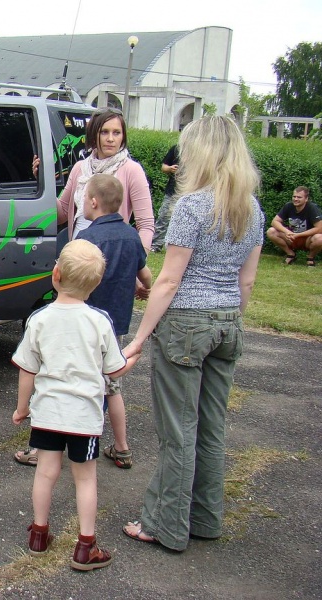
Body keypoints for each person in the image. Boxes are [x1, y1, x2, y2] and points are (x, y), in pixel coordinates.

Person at [121, 115, 263, 552]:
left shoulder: (192, 206)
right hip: (227, 323)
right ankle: (204, 518)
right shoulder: (252, 208)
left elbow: (168, 281)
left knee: (177, 432)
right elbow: (248, 282)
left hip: (186, 325)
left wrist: (140, 337)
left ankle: (164, 525)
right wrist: (231, 318)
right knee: (212, 427)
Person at [16, 106, 154, 467]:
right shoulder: (80, 169)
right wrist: (36, 189)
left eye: (117, 133)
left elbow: (147, 224)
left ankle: (51, 445)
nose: (111, 139)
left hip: (104, 280)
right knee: (81, 370)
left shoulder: (131, 171)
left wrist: (132, 265)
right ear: (94, 135)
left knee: (82, 373)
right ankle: (106, 445)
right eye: (105, 132)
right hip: (79, 276)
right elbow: (63, 211)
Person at [12, 238, 138, 569]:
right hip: (83, 417)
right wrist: (134, 357)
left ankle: (39, 533)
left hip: (47, 413)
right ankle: (86, 546)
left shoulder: (38, 319)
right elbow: (114, 369)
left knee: (45, 472)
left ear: (56, 275)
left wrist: (22, 407)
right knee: (85, 479)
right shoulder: (99, 321)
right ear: (95, 284)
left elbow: (28, 369)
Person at [76, 174, 152, 469]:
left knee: (76, 384)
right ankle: (121, 447)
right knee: (112, 387)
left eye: (84, 198)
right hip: (115, 327)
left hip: (86, 326)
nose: (83, 203)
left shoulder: (87, 238)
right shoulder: (132, 235)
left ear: (94, 202)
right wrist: (142, 288)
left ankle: (44, 448)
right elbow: (145, 277)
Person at [265, 186, 322, 266]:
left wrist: (298, 235)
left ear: (306, 199)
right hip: (291, 237)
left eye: (299, 197)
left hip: (308, 239)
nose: (295, 199)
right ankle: (291, 254)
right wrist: (287, 231)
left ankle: (310, 258)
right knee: (271, 231)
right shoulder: (288, 206)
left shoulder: (312, 208)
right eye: (294, 196)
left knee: (320, 238)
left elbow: (319, 229)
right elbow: (274, 222)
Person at [150, 144, 179, 252]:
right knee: (163, 217)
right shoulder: (176, 149)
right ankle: (155, 245)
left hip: (191, 191)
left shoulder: (201, 150)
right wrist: (170, 168)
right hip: (173, 191)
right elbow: (164, 167)